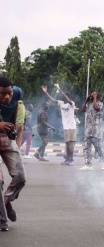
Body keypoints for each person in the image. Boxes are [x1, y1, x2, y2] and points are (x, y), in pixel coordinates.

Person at [0, 76, 26, 228]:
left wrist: (14, 128)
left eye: (9, 92)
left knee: (20, 177)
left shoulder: (17, 93)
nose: (7, 96)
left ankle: (6, 201)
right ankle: (2, 219)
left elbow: (15, 104)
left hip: (7, 138)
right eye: (2, 94)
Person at [41, 84, 77, 165]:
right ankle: (68, 158)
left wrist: (60, 89)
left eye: (64, 96)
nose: (62, 97)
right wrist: (46, 92)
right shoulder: (61, 103)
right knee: (67, 143)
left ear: (67, 97)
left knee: (70, 143)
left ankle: (70, 160)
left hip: (71, 126)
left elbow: (67, 99)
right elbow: (52, 100)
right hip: (66, 127)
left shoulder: (72, 103)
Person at [79, 92, 104, 171]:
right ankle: (88, 164)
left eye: (94, 95)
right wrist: (86, 101)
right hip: (88, 130)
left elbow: (96, 108)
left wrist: (94, 97)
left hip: (96, 130)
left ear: (97, 96)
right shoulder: (89, 104)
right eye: (92, 95)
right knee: (86, 147)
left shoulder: (100, 104)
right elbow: (82, 110)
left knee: (98, 147)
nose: (92, 95)